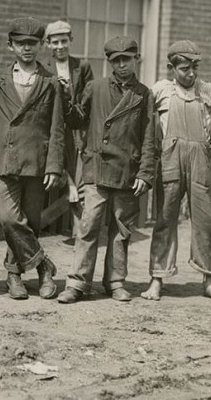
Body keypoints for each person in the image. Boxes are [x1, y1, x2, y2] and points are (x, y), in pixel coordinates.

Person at [141, 40, 211, 303]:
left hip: (200, 161)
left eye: (194, 68)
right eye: (185, 68)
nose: (191, 74)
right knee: (165, 220)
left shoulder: (206, 90)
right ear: (171, 67)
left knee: (204, 222)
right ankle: (157, 278)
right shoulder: (161, 90)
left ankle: (209, 280)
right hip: (170, 161)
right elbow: (141, 114)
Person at [58, 37, 156, 304]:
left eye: (127, 59)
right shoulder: (96, 87)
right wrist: (67, 98)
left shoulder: (144, 94)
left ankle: (115, 282)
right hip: (97, 169)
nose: (122, 65)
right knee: (88, 227)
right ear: (110, 62)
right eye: (116, 61)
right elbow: (76, 119)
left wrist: (146, 173)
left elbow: (149, 137)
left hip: (127, 171)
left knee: (122, 230)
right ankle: (77, 284)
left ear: (136, 59)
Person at [0, 16, 65, 300]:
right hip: (6, 158)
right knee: (7, 217)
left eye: (32, 43)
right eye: (20, 43)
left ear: (41, 45)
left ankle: (14, 275)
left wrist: (54, 165)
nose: (26, 48)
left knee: (30, 220)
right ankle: (43, 265)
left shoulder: (51, 82)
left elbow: (57, 126)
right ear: (10, 46)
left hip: (36, 161)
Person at [43, 20, 94, 220]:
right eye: (55, 42)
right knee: (58, 165)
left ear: (70, 40)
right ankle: (69, 187)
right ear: (48, 44)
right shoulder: (44, 67)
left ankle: (80, 227)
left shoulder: (82, 66)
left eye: (64, 41)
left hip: (77, 127)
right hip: (53, 126)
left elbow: (89, 96)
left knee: (80, 171)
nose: (60, 46)